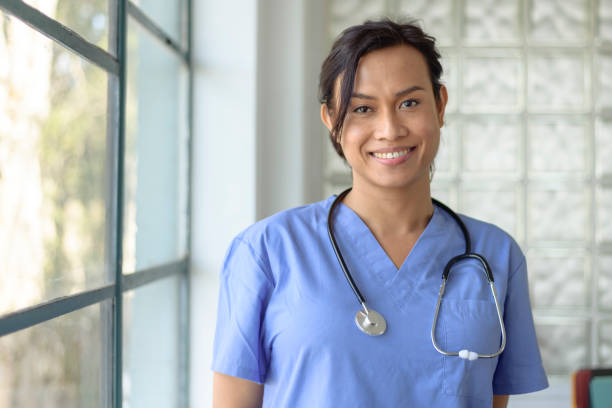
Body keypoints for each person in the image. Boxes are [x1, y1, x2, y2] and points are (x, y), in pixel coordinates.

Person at [211, 18, 548, 408]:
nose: (389, 129)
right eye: (362, 109)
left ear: (440, 105)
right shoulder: (267, 250)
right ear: (331, 121)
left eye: (409, 103)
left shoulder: (495, 255)